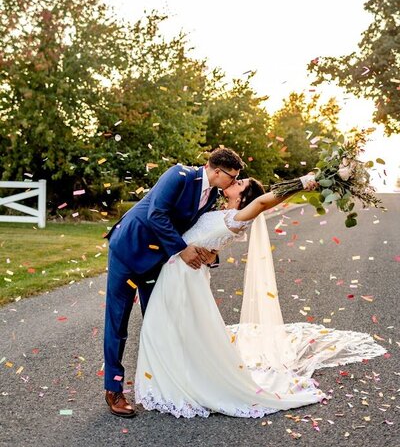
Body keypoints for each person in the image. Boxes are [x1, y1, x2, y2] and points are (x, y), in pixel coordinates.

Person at [134, 177, 386, 418]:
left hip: (183, 278)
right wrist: (209, 253)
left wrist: (301, 183)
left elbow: (264, 202)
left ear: (245, 198)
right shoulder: (224, 213)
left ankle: (177, 382)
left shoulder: (239, 217)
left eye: (240, 183)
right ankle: (172, 377)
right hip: (180, 272)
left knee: (163, 328)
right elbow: (208, 243)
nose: (235, 182)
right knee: (168, 328)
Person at [103, 147, 245, 417]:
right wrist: (182, 250)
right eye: (232, 177)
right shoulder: (178, 175)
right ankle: (113, 389)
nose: (233, 182)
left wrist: (209, 254)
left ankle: (163, 383)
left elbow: (198, 231)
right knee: (117, 321)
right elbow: (156, 214)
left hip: (158, 261)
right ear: (217, 171)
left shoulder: (212, 195)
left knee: (160, 319)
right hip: (128, 249)